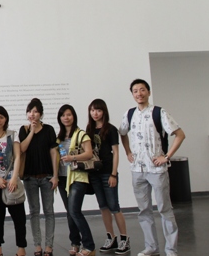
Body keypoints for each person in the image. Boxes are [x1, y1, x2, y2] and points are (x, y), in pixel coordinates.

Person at [119, 79, 186, 256]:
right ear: (132, 94)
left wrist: (166, 157)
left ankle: (171, 249)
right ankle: (151, 247)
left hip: (157, 170)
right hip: (137, 170)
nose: (139, 94)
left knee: (165, 209)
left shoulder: (159, 112)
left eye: (142, 90)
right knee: (144, 211)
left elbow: (179, 134)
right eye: (135, 91)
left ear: (148, 92)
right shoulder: (129, 114)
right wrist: (128, 152)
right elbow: (122, 133)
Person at [86, 99, 130, 255]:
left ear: (104, 111)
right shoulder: (89, 129)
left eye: (98, 110)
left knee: (114, 206)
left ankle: (124, 238)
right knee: (103, 207)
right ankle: (111, 237)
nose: (95, 113)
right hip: (94, 173)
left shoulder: (111, 129)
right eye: (92, 110)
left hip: (107, 173)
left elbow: (116, 152)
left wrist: (113, 174)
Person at [19, 98, 58, 256]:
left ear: (41, 114)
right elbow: (22, 149)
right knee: (34, 211)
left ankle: (49, 246)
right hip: (30, 178)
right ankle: (37, 246)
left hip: (47, 176)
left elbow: (54, 153)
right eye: (29, 111)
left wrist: (55, 175)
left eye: (35, 111)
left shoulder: (49, 130)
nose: (32, 114)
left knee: (49, 211)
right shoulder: (24, 129)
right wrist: (32, 131)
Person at [0, 106, 27, 256]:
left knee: (19, 217)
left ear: (6, 119)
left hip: (12, 183)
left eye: (1, 117)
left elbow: (17, 157)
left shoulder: (12, 135)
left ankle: (21, 248)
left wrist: (14, 178)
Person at [56, 105, 95, 256]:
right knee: (69, 212)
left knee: (74, 211)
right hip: (62, 178)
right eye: (63, 115)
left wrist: (72, 157)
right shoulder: (59, 137)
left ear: (74, 116)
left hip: (78, 177)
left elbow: (89, 153)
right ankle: (75, 243)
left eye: (69, 114)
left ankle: (89, 246)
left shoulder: (81, 134)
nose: (66, 118)